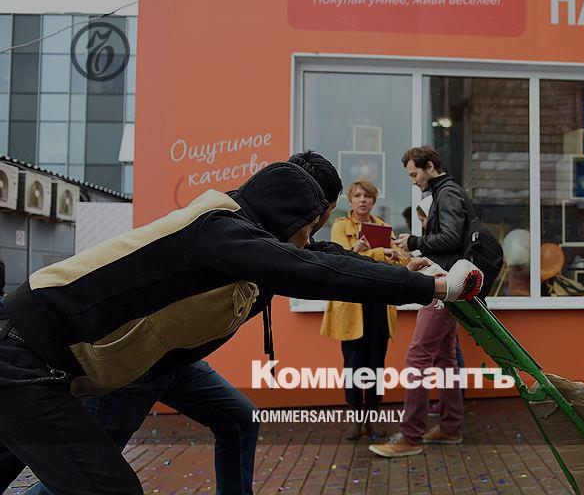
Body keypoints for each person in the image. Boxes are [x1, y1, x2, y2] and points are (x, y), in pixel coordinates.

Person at [0, 161, 483, 494]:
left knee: (235, 419)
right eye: (309, 226)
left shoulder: (244, 232)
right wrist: (434, 289)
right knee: (102, 484)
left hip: (111, 360)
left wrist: (405, 270)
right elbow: (308, 269)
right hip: (28, 358)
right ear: (288, 216)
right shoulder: (220, 230)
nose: (310, 237)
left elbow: (323, 258)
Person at [23, 151, 349, 495]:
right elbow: (315, 269)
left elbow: (322, 261)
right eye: (323, 214)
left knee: (239, 420)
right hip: (134, 365)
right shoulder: (239, 233)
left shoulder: (277, 235)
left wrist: (385, 269)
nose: (317, 228)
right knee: (81, 480)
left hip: (178, 361)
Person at [370, 146, 473, 458]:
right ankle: (450, 427)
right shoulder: (446, 192)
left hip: (444, 285)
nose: (413, 181)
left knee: (418, 356)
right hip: (450, 284)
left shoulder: (447, 193)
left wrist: (414, 241)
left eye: (415, 174)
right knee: (445, 357)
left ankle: (411, 436)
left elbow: (451, 239)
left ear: (430, 166)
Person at [323, 179, 408, 440]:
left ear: (373, 201)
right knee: (353, 364)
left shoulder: (382, 227)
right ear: (350, 200)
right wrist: (377, 253)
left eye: (367, 196)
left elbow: (401, 262)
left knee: (375, 364)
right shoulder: (340, 225)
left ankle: (372, 419)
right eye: (358, 196)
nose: (363, 200)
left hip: (378, 303)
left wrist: (371, 253)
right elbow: (340, 262)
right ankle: (356, 420)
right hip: (352, 305)